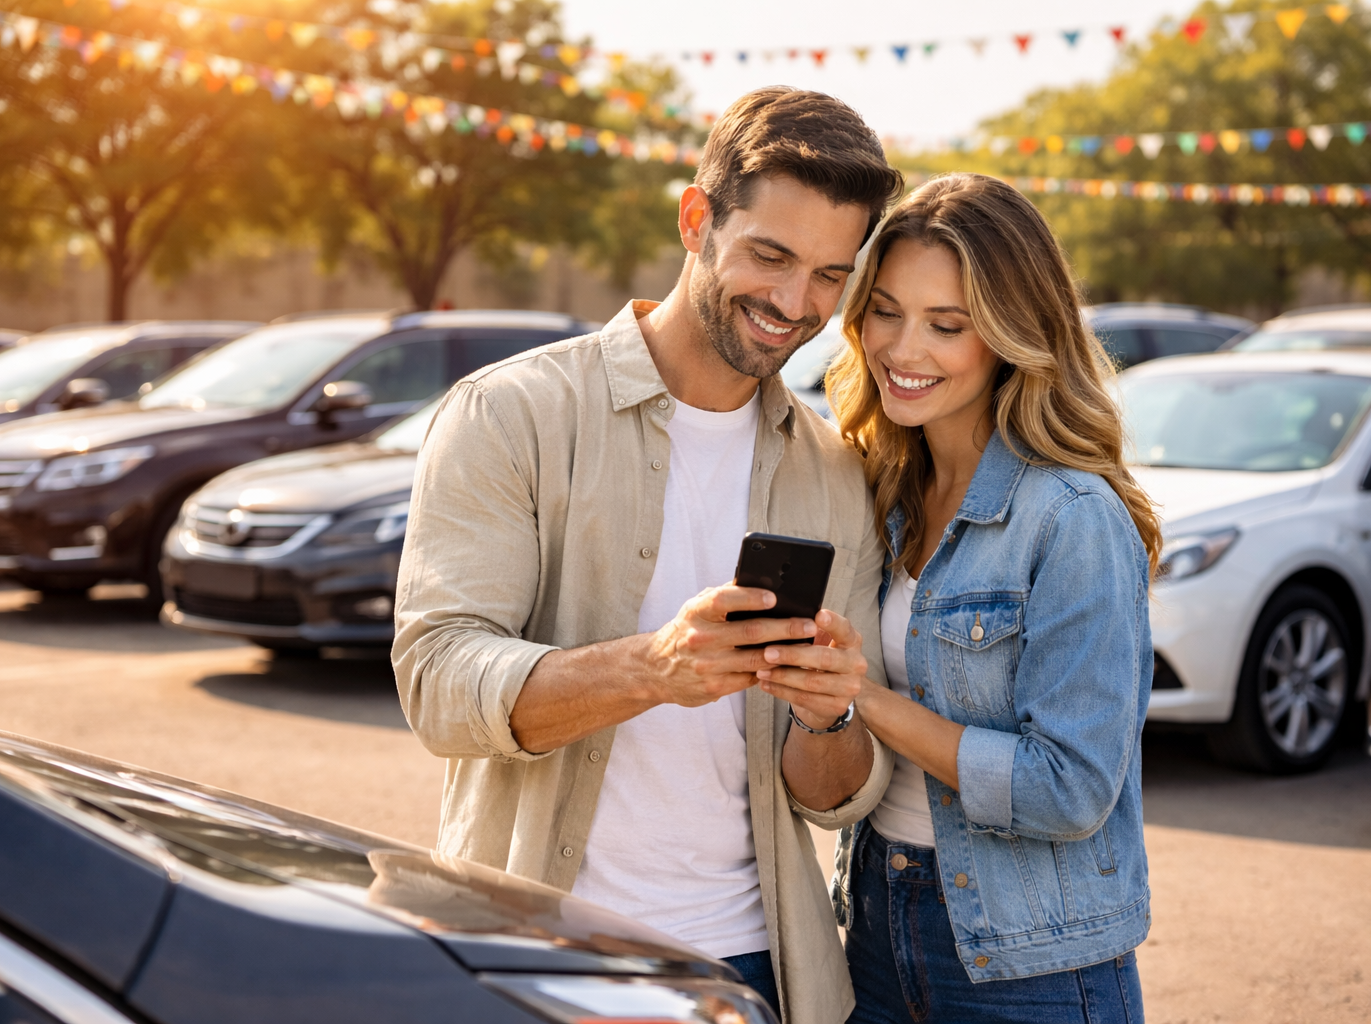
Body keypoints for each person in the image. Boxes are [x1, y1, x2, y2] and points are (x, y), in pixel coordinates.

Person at [391, 87, 906, 1024]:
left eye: (831, 276)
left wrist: (831, 717)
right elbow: (437, 683)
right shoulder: (510, 414)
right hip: (539, 952)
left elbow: (837, 800)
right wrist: (651, 668)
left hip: (758, 973)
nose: (797, 305)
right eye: (771, 256)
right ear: (696, 219)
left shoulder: (838, 476)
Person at [809, 172, 1160, 1022]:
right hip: (874, 919)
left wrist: (864, 699)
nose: (903, 348)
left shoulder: (1071, 517)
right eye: (885, 310)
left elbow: (1069, 790)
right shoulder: (882, 490)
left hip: (1029, 959)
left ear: (1010, 335)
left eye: (947, 325)